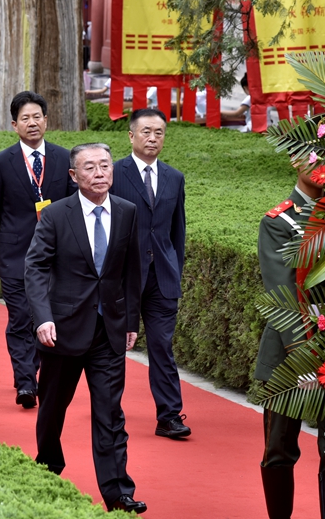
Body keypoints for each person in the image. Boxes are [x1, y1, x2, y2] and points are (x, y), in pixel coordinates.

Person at [25, 143, 146, 514]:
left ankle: (118, 492)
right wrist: (43, 317)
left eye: (105, 165)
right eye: (90, 167)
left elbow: (131, 270)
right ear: (74, 176)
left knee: (110, 413)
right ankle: (48, 466)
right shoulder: (55, 215)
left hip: (108, 330)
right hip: (61, 330)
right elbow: (35, 268)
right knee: (52, 408)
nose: (99, 173)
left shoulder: (126, 211)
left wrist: (130, 320)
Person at [256, 168, 325, 519]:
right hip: (290, 353)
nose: (320, 167)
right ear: (296, 161)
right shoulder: (279, 222)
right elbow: (282, 296)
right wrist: (305, 360)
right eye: (311, 158)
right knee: (279, 449)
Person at [0, 91, 76, 409]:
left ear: (46, 121)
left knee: (46, 318)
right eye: (25, 118)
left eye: (37, 117)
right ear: (14, 125)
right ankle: (25, 383)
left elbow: (74, 208)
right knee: (20, 316)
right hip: (15, 255)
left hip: (55, 256)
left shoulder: (64, 159)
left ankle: (33, 370)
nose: (32, 123)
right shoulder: (1, 162)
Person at [110, 108, 190, 439]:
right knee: (114, 346)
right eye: (146, 132)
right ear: (131, 135)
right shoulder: (114, 173)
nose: (152, 138)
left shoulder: (174, 177)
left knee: (161, 345)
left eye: (159, 132)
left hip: (162, 278)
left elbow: (177, 232)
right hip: (122, 278)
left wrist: (174, 269)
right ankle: (108, 410)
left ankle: (169, 416)